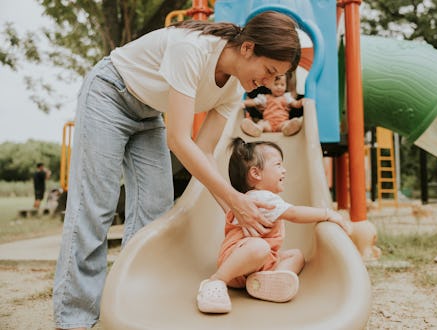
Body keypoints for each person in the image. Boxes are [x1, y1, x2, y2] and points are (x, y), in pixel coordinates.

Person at [52, 11, 301, 330]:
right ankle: (75, 319)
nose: (268, 83)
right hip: (110, 93)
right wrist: (236, 202)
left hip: (148, 112)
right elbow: (180, 141)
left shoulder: (233, 90)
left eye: (276, 75)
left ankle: (131, 303)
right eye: (268, 71)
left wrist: (235, 211)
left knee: (154, 210)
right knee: (96, 206)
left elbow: (205, 151)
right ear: (248, 48)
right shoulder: (193, 50)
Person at [196, 138, 352, 314]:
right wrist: (327, 213)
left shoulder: (245, 201)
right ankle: (216, 281)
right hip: (236, 261)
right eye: (278, 164)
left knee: (296, 255)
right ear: (256, 174)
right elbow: (294, 214)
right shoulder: (260, 198)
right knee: (260, 247)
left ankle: (268, 280)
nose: (284, 170)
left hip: (256, 265)